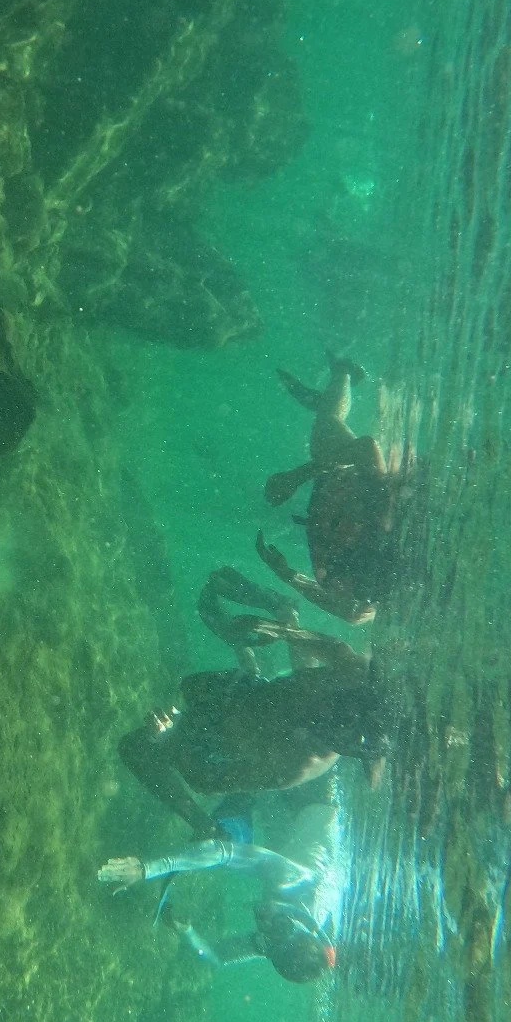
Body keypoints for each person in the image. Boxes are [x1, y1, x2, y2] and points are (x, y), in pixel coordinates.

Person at [115, 625, 390, 842]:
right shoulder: (353, 673)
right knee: (189, 685)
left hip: (219, 738)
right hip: (244, 691)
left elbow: (207, 781)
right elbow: (335, 647)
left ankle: (205, 825)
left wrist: (171, 739)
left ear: (339, 745)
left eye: (332, 727)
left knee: (134, 747)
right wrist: (277, 628)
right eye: (334, 706)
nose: (324, 713)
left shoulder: (296, 766)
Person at [98, 799, 338, 983]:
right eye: (280, 926)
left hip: (294, 826)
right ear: (300, 925)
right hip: (307, 800)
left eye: (268, 938)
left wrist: (188, 933)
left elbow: (216, 956)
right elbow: (223, 851)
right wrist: (146, 868)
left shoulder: (276, 941)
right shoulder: (295, 880)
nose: (265, 923)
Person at [261, 356, 396, 625]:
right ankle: (343, 372)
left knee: (325, 425)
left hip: (339, 486)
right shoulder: (379, 502)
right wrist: (303, 474)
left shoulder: (345, 570)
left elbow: (351, 614)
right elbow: (367, 447)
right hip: (346, 480)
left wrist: (288, 575)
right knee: (325, 428)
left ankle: (342, 374)